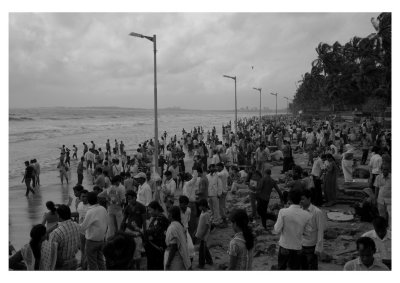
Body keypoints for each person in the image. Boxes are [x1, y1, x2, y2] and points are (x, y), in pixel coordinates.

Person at [273, 188, 312, 270]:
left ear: (289, 199)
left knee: (281, 268)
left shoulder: (283, 212)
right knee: (295, 269)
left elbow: (276, 230)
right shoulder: (307, 214)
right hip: (297, 247)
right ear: (300, 200)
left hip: (285, 246)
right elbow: (308, 234)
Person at [79, 191, 108, 270]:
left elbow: (83, 227)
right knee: (101, 261)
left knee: (92, 264)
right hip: (101, 240)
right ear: (97, 200)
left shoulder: (90, 212)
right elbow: (106, 223)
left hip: (91, 242)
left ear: (88, 201)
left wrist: (76, 224)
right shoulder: (103, 209)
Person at [300, 189, 326, 270]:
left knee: (312, 267)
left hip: (311, 246)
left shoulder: (317, 212)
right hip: (300, 245)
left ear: (309, 199)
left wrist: (319, 248)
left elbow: (320, 231)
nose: (301, 201)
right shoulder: (299, 210)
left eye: (303, 199)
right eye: (300, 199)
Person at [120, 190, 146, 270]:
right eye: (128, 199)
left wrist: (144, 233)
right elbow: (124, 219)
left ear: (135, 197)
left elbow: (144, 221)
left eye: (131, 198)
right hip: (128, 230)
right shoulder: (127, 207)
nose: (129, 200)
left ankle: (138, 268)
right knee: (129, 251)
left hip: (137, 232)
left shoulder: (141, 207)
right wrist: (121, 230)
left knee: (137, 252)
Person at [49, 205, 80, 270]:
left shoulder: (56, 233)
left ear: (58, 216)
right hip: (74, 261)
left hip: (62, 265)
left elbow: (52, 253)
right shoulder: (77, 225)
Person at [145, 201, 170, 270]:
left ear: (156, 209)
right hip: (153, 250)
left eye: (150, 210)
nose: (149, 212)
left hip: (158, 250)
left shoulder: (162, 219)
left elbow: (153, 231)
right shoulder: (155, 218)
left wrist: (141, 231)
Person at [164, 206, 191, 270]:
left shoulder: (172, 227)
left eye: (168, 214)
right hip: (180, 257)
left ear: (171, 215)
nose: (167, 215)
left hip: (174, 259)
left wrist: (168, 263)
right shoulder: (179, 225)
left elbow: (173, 247)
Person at [195, 198, 213, 269]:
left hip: (204, 234)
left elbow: (207, 226)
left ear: (204, 206)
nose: (199, 207)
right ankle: (209, 260)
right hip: (201, 233)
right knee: (204, 248)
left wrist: (202, 235)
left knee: (202, 250)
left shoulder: (206, 214)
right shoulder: (203, 212)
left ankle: (201, 264)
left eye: (201, 206)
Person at [76, 190, 90, 269]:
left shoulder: (91, 206)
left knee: (87, 249)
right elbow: (79, 216)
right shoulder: (79, 204)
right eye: (83, 196)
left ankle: (85, 265)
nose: (85, 198)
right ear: (80, 197)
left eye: (86, 196)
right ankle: (82, 263)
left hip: (89, 230)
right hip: (81, 230)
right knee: (82, 248)